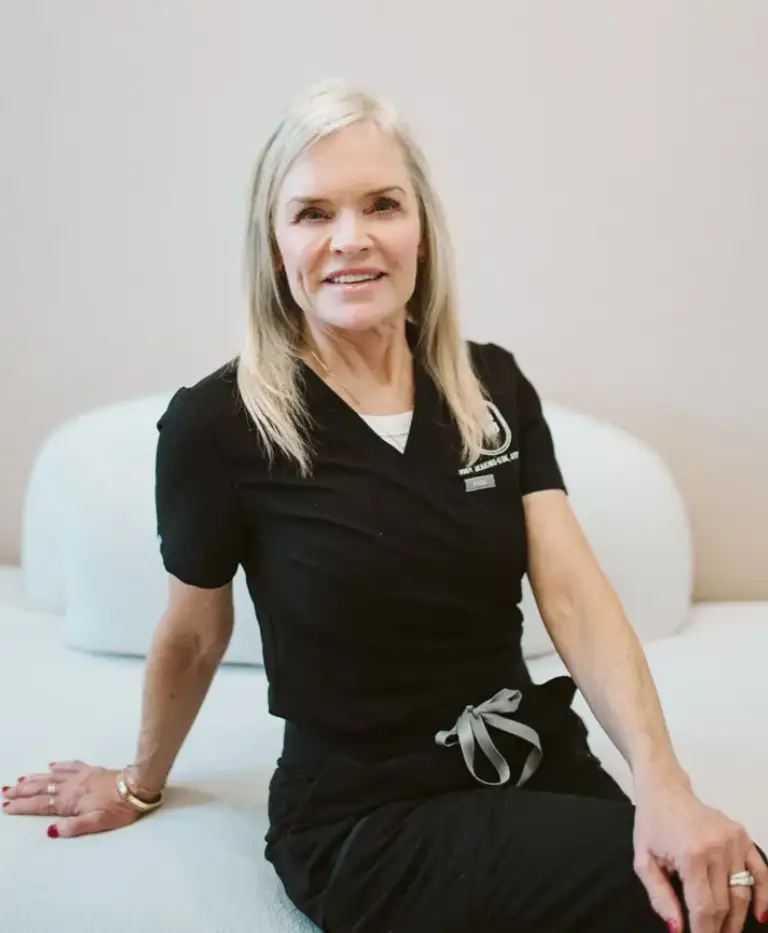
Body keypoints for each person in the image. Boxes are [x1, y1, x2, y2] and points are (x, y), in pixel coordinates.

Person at [3, 79, 766, 933]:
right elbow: (193, 634)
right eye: (312, 213)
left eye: (381, 204)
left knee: (734, 888)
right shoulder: (218, 425)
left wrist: (666, 784)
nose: (351, 238)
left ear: (422, 229)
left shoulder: (492, 384)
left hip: (526, 759)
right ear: (274, 245)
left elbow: (575, 596)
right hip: (369, 819)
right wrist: (138, 781)